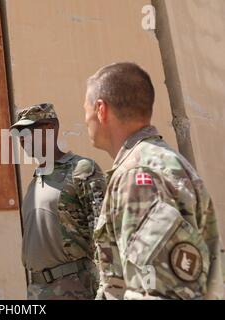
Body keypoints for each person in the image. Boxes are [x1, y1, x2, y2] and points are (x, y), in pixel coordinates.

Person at [83, 62, 224, 300]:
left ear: (101, 109)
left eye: (85, 110)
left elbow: (160, 291)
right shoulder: (163, 163)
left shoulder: (138, 178)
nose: (85, 119)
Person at [10, 103, 106, 300]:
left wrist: (108, 289)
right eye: (19, 134)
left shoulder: (81, 170)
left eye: (28, 131)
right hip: (38, 289)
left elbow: (104, 233)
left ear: (51, 128)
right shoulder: (36, 180)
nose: (22, 139)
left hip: (74, 287)